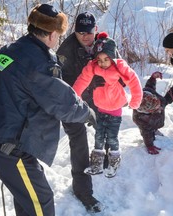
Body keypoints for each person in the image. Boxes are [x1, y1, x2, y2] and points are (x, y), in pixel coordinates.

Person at [0, 4, 97, 216]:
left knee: (28, 198)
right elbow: (61, 101)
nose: (57, 41)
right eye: (58, 35)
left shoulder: (10, 50)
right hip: (7, 145)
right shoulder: (37, 61)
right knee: (41, 201)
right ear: (53, 34)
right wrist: (86, 112)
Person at [73, 32, 143, 178]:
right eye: (99, 59)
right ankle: (97, 165)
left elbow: (133, 81)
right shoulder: (93, 67)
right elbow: (82, 80)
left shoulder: (119, 67)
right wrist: (74, 97)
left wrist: (135, 100)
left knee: (111, 137)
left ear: (112, 57)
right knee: (99, 137)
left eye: (106, 59)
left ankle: (114, 162)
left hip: (115, 108)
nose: (103, 63)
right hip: (100, 107)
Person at [56, 11, 104, 212]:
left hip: (99, 96)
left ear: (96, 30)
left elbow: (119, 68)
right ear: (74, 31)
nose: (85, 36)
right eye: (80, 32)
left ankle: (106, 157)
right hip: (72, 100)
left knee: (106, 126)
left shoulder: (104, 46)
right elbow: (59, 84)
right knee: (79, 140)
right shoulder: (66, 50)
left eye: (89, 31)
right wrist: (79, 107)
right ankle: (82, 189)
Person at [132, 71, 166, 154]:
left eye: (158, 105)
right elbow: (146, 133)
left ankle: (155, 128)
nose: (159, 108)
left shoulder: (148, 92)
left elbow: (150, 85)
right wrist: (149, 145)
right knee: (148, 131)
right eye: (156, 108)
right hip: (148, 122)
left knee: (155, 122)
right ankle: (153, 131)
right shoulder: (141, 120)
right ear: (148, 111)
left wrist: (153, 78)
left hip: (155, 118)